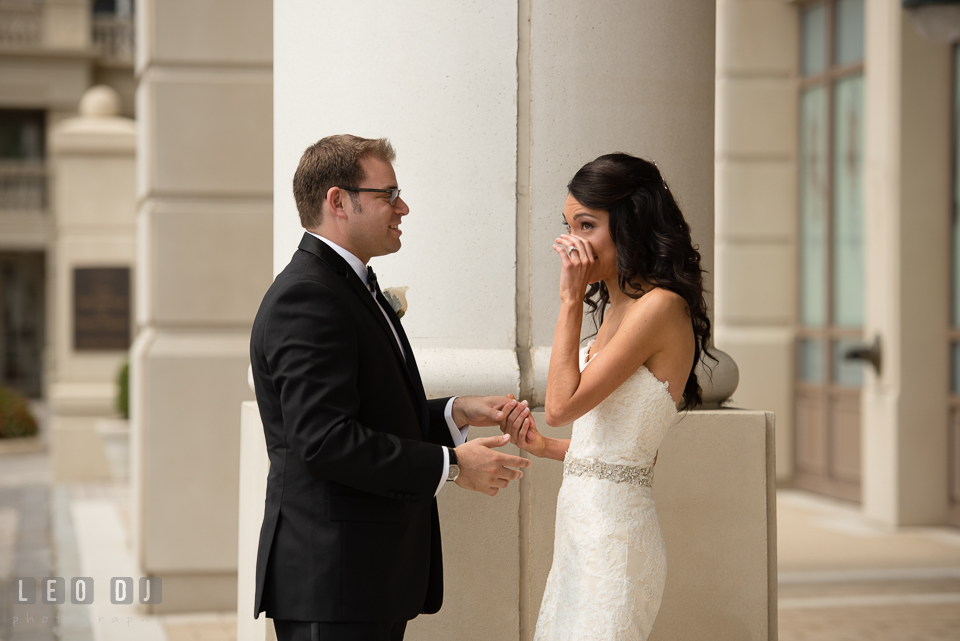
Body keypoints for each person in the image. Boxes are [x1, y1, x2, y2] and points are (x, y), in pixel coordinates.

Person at [249, 134, 531, 641]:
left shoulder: (346, 285)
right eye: (387, 194)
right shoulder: (309, 298)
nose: (403, 207)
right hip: (332, 580)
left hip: (361, 579)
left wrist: (454, 413)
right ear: (338, 201)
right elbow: (325, 441)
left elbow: (364, 417)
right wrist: (452, 467)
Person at [500, 153, 712, 640]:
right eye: (568, 225)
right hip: (579, 529)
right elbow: (630, 456)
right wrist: (545, 449)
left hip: (615, 541)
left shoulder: (660, 307)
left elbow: (559, 407)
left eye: (587, 224)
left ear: (631, 222)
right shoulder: (618, 309)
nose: (571, 242)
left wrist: (570, 299)